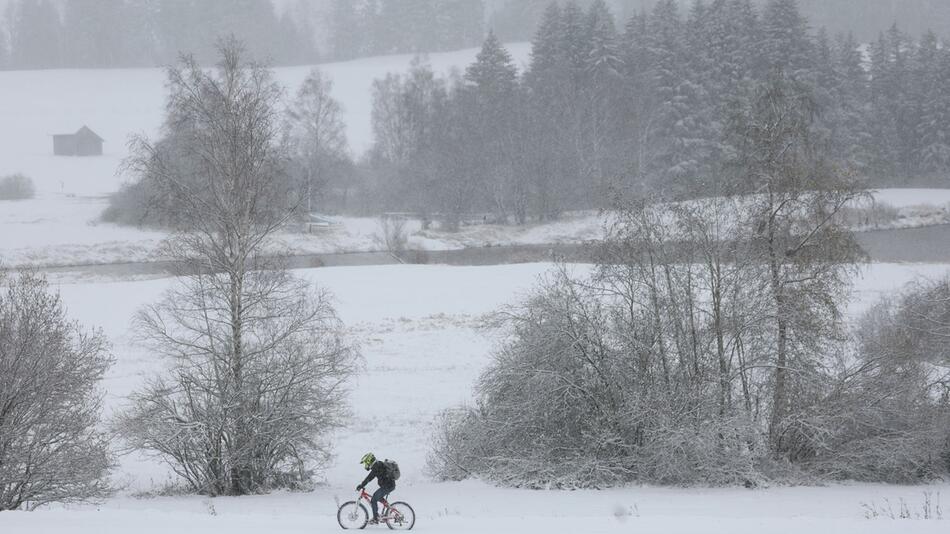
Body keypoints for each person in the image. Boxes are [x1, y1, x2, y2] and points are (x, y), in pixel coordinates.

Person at [356, 452, 396, 525]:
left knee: (374, 499)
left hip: (388, 486)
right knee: (378, 497)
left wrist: (361, 485)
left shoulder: (376, 466)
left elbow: (369, 477)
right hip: (388, 485)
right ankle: (387, 510)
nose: (365, 465)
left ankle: (375, 518)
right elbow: (370, 477)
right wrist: (362, 484)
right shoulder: (377, 465)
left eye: (365, 463)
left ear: (369, 461)